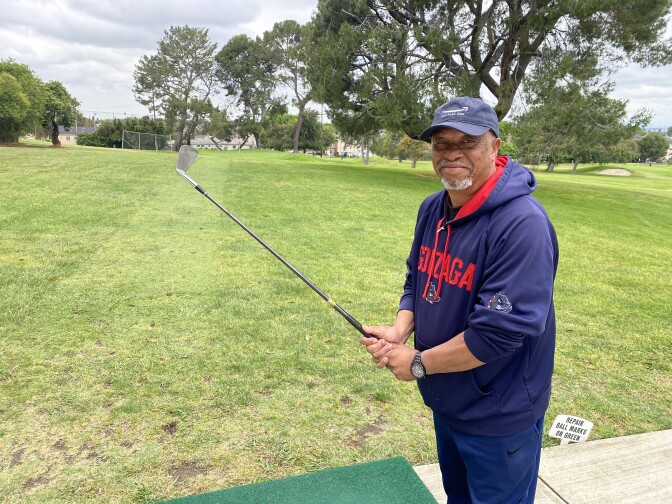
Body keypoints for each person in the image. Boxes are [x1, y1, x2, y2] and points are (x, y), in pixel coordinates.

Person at [360, 96, 559, 504]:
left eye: (467, 142)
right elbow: (418, 277)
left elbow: (497, 336)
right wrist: (401, 327)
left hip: (499, 413)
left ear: (495, 146)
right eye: (441, 144)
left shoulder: (523, 225)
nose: (452, 154)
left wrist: (417, 362)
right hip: (448, 399)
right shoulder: (433, 208)